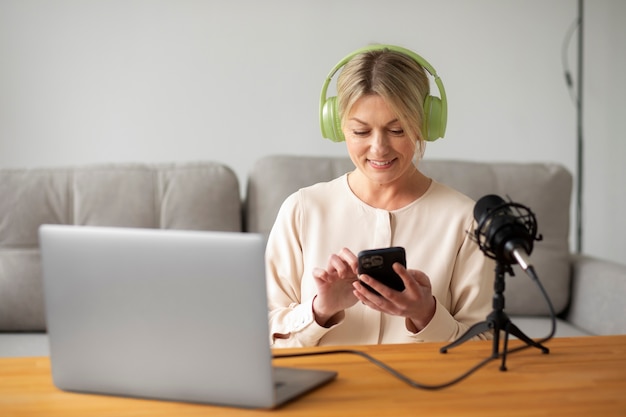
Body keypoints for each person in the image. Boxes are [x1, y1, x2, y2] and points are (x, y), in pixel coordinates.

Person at [266, 44, 494, 347]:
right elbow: (264, 336)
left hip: (427, 392)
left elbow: (486, 348)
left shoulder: (466, 220)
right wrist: (321, 310)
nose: (379, 148)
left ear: (425, 125)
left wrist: (427, 315)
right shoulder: (303, 210)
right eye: (361, 132)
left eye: (397, 130)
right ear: (337, 127)